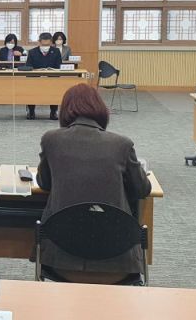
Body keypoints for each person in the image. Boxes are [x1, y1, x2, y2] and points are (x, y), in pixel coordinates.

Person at [36, 84, 151, 284]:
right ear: (100, 109)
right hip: (118, 264)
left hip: (60, 262)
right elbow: (143, 189)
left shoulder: (51, 140)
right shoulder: (122, 144)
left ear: (65, 110)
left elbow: (44, 183)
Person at [25, 32, 62, 120]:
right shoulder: (32, 52)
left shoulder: (56, 51)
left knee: (54, 89)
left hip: (51, 78)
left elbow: (59, 66)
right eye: (43, 44)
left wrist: (51, 71)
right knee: (31, 89)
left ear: (51, 42)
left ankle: (53, 112)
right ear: (39, 42)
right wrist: (37, 71)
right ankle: (31, 111)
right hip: (35, 78)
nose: (45, 46)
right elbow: (28, 66)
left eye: (47, 45)